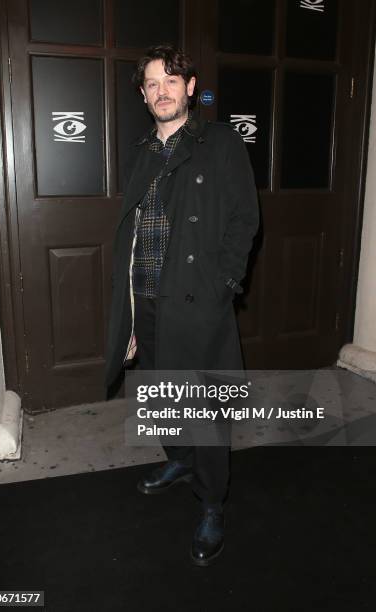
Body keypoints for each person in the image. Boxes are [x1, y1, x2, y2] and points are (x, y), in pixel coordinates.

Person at [104, 44, 259, 566]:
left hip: (196, 299)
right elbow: (129, 233)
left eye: (171, 80)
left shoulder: (219, 142)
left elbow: (245, 219)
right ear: (144, 96)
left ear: (190, 87)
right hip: (146, 297)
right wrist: (126, 303)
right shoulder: (141, 150)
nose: (161, 91)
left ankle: (213, 501)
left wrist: (224, 282)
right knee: (161, 394)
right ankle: (179, 459)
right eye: (151, 84)